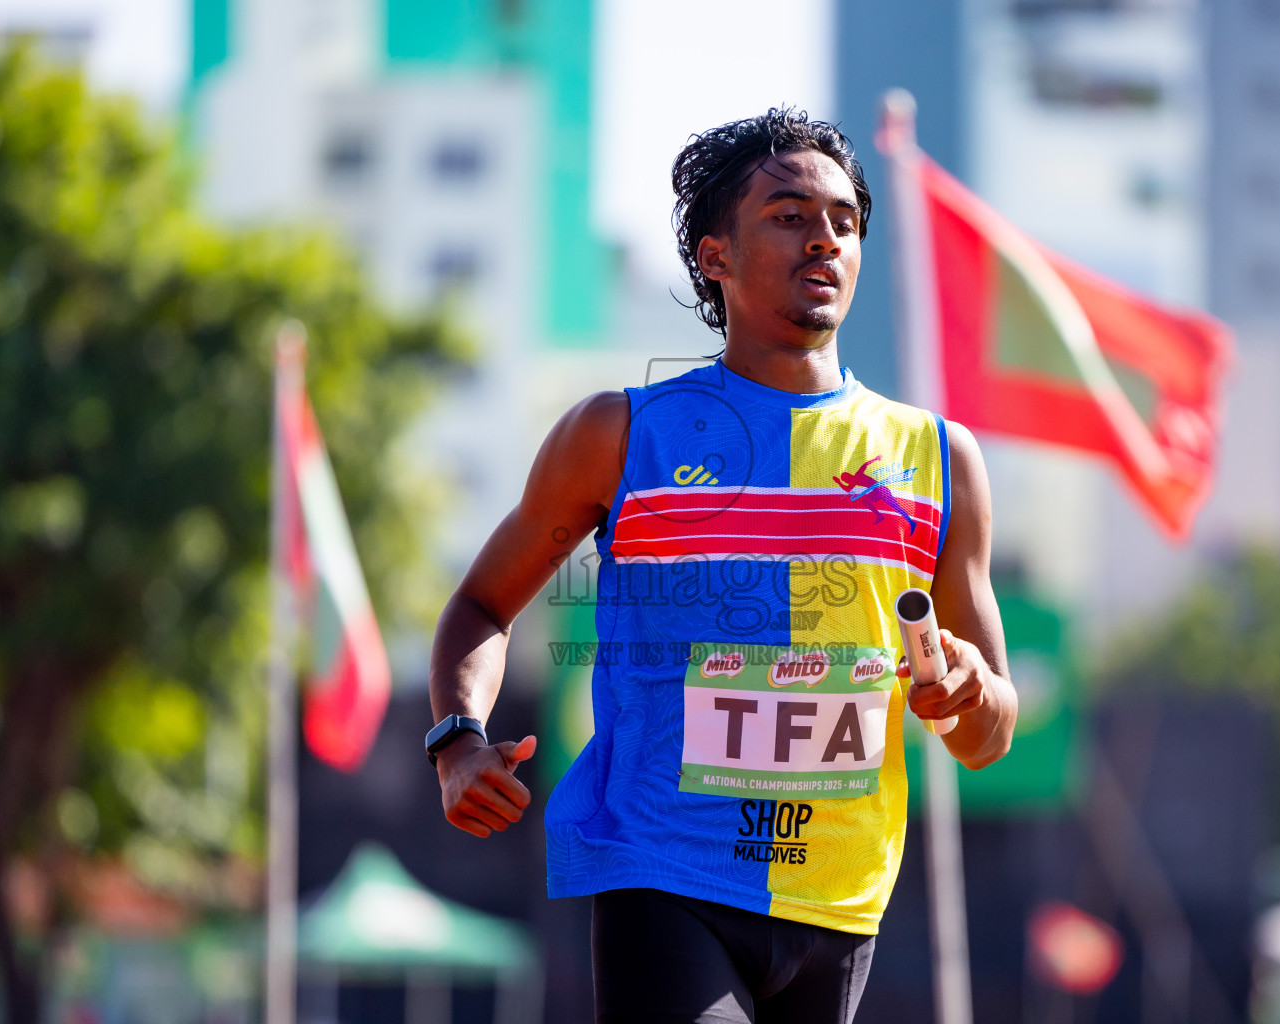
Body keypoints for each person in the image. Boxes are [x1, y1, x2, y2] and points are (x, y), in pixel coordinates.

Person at [427, 108, 1018, 1024]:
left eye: (845, 222)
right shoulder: (619, 433)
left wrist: (975, 694)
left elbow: (988, 740)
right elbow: (480, 604)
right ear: (716, 256)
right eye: (788, 215)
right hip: (664, 870)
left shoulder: (941, 458)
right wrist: (457, 742)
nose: (823, 239)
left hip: (842, 895)